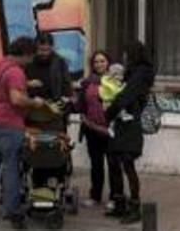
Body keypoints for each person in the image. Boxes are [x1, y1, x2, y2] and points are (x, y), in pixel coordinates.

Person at [0, 36, 47, 230]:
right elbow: (16, 99)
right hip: (8, 125)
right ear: (25, 54)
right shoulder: (16, 72)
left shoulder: (1, 65)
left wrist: (27, 83)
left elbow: (4, 86)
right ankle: (13, 212)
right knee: (11, 168)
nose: (32, 61)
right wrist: (35, 102)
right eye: (31, 57)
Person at [104, 40, 155, 224]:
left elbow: (125, 97)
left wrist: (108, 113)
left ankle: (135, 207)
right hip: (120, 124)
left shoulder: (141, 73)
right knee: (112, 160)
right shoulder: (131, 72)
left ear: (134, 54)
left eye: (127, 53)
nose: (124, 57)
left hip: (130, 124)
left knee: (127, 163)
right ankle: (119, 204)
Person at [75, 50, 113, 207]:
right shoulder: (87, 83)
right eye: (96, 62)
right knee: (96, 164)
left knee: (113, 164)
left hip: (111, 129)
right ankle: (95, 195)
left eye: (102, 61)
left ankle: (115, 197)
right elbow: (80, 105)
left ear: (108, 63)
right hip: (92, 128)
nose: (99, 64)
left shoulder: (115, 81)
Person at [24, 32, 74, 132]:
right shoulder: (28, 61)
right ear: (35, 48)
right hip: (31, 110)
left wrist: (66, 106)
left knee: (55, 143)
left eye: (47, 50)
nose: (44, 53)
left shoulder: (60, 61)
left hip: (54, 111)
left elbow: (67, 84)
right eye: (41, 50)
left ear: (52, 47)